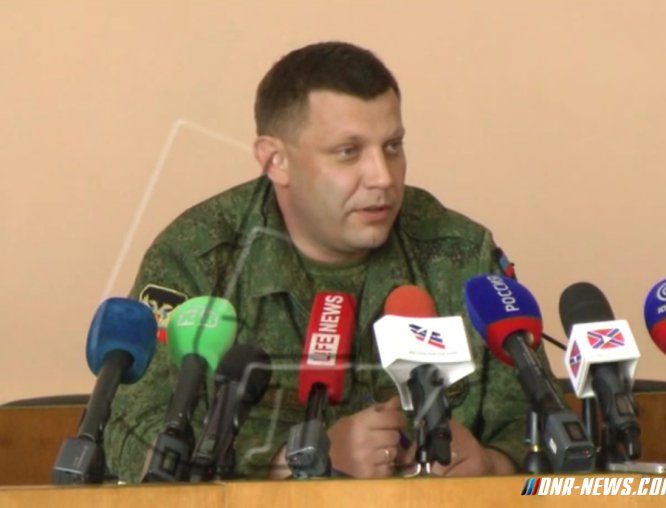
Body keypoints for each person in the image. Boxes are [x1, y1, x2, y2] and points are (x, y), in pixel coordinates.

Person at [104, 41, 541, 482]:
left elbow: (544, 443)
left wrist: (492, 465)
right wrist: (288, 464)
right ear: (275, 160)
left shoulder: (461, 255)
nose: (383, 177)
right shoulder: (199, 260)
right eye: (349, 151)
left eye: (392, 146)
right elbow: (130, 437)